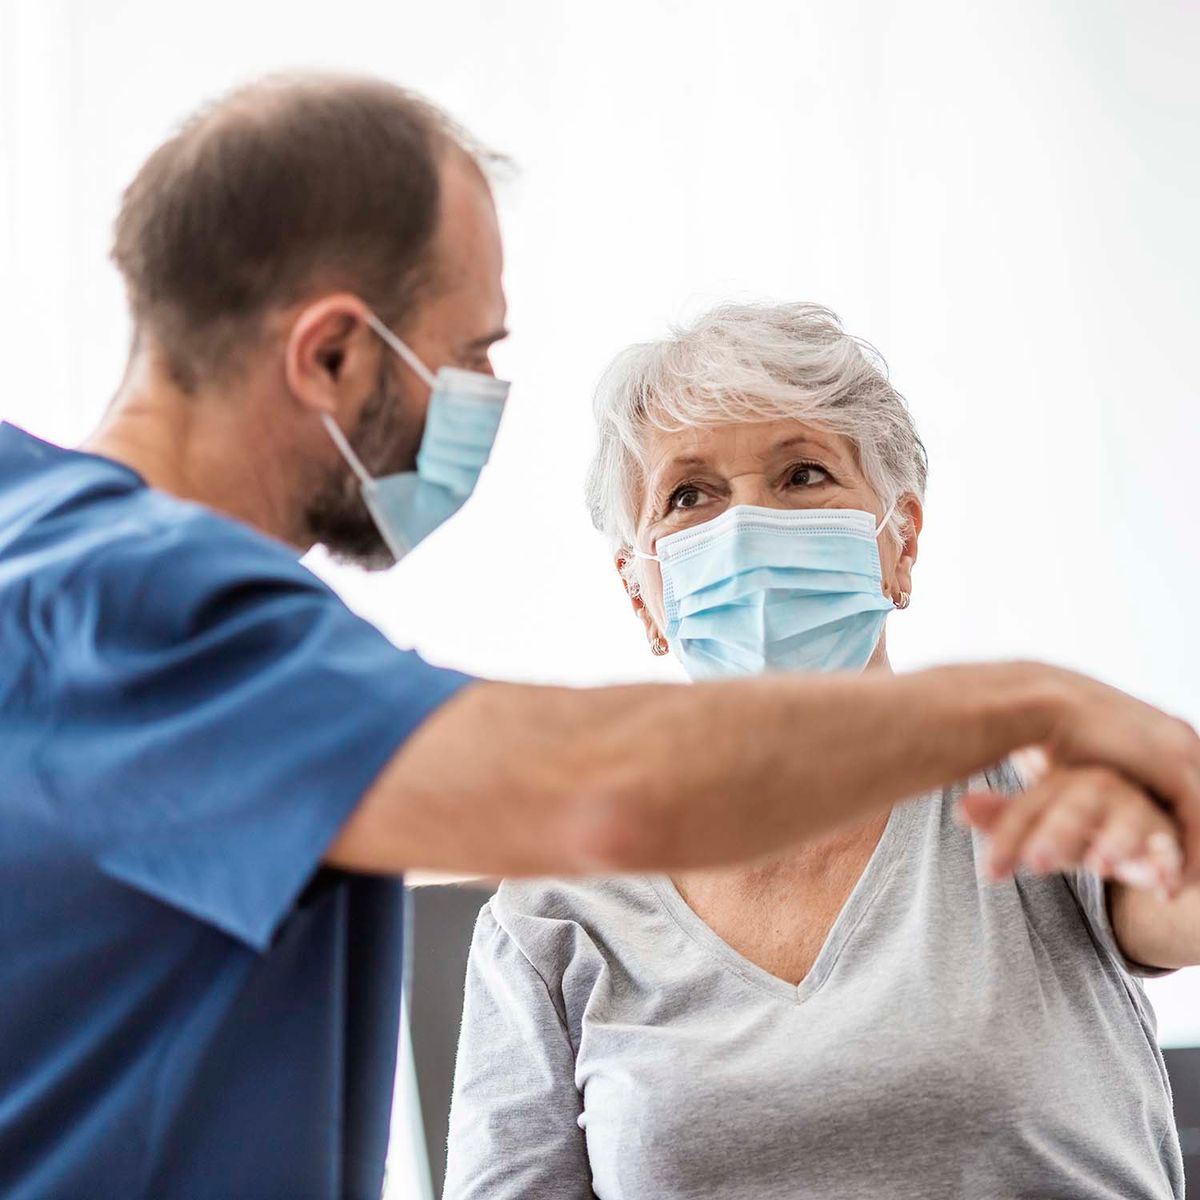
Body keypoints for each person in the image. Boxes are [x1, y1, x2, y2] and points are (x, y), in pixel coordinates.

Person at [0, 75, 1197, 1200]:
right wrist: (1024, 696)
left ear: (902, 535)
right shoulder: (129, 607)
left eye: (800, 476)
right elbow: (599, 794)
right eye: (474, 356)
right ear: (333, 354)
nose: (481, 400)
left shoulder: (57, 550)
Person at [443, 303, 1200, 1200]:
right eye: (690, 495)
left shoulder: (1035, 790)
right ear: (642, 593)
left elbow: (1179, 900)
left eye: (804, 475)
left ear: (900, 545)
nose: (750, 527)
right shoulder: (556, 911)